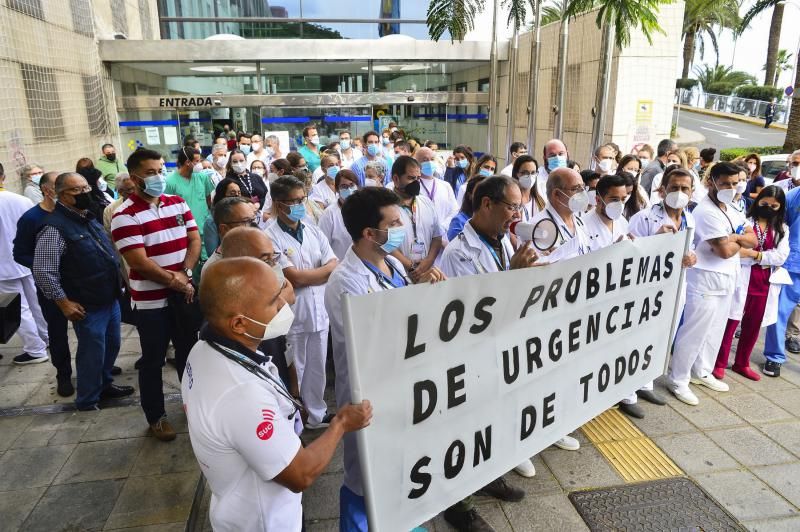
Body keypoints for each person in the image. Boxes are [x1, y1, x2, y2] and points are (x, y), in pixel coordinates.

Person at [182, 257, 371, 532]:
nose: (286, 303)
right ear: (238, 323)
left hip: (238, 508)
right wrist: (341, 423)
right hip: (265, 522)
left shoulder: (205, 348)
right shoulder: (242, 394)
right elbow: (300, 473)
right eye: (273, 302)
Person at [324, 187, 451, 530]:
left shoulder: (392, 262)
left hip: (402, 386)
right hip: (371, 394)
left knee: (399, 468)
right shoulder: (346, 283)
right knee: (365, 477)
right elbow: (376, 342)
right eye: (394, 223)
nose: (403, 228)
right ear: (369, 233)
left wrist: (422, 291)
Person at [111, 148, 201, 441]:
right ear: (135, 178)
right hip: (151, 302)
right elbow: (138, 262)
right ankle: (156, 416)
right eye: (151, 172)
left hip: (184, 293)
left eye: (161, 170)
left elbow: (194, 238)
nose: (159, 177)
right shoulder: (124, 215)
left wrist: (185, 273)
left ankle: (194, 405)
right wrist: (173, 280)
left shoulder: (177, 202)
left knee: (190, 354)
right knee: (153, 360)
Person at [32, 172, 133, 411]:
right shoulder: (54, 227)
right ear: (61, 195)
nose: (85, 193)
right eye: (76, 190)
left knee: (112, 345)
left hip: (108, 297)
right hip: (87, 303)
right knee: (92, 353)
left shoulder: (87, 217)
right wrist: (63, 302)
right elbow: (44, 271)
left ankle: (105, 384)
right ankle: (88, 399)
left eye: (86, 187)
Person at [669, 162, 757, 405]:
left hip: (727, 279)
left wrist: (736, 237)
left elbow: (753, 240)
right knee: (694, 333)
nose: (731, 187)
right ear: (711, 183)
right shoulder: (706, 212)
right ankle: (679, 380)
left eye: (734, 183)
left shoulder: (732, 208)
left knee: (714, 331)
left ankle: (702, 371)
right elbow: (724, 252)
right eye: (725, 183)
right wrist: (741, 242)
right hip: (704, 280)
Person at [267, 176, 338, 429]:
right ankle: (294, 419)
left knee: (317, 368)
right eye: (293, 201)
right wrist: (319, 275)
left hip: (319, 311)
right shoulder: (270, 237)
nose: (299, 205)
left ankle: (316, 415)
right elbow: (291, 278)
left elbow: (334, 264)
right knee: (294, 368)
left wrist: (311, 277)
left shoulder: (311, 229)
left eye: (302, 199)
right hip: (293, 315)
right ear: (278, 204)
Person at [627, 167, 698, 413]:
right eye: (674, 187)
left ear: (692, 191)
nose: (679, 193)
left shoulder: (690, 217)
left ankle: (645, 382)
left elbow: (692, 247)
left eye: (684, 189)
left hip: (676, 286)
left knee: (660, 338)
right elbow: (628, 253)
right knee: (638, 338)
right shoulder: (645, 218)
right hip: (646, 290)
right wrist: (656, 240)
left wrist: (692, 258)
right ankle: (627, 393)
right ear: (662, 189)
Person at [714, 185, 789, 381]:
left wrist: (754, 254)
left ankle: (742, 363)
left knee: (753, 325)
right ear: (757, 202)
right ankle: (719, 363)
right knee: (731, 322)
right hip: (741, 278)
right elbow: (735, 251)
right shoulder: (744, 223)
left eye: (774, 206)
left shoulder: (782, 229)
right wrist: (760, 257)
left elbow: (780, 256)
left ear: (780, 208)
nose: (768, 208)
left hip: (764, 284)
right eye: (764, 203)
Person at [1, 167, 49, 366]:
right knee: (35, 303)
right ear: (3, 176)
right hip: (25, 260)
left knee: (18, 309)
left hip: (3, 266)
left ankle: (35, 349)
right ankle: (46, 339)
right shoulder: (21, 200)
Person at [389, 156, 444, 280]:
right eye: (411, 178)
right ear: (396, 179)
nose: (416, 182)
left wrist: (428, 261)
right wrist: (410, 265)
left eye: (418, 178)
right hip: (400, 274)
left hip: (428, 272)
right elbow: (385, 243)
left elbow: (437, 237)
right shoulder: (386, 207)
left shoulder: (427, 203)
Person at [530, 167, 590, 261]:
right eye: (576, 188)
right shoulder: (537, 227)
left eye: (583, 187)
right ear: (556, 194)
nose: (582, 193)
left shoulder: (580, 222)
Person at [415, 147, 459, 234]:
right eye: (425, 160)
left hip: (444, 233)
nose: (429, 162)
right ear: (417, 163)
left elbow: (454, 210)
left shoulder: (445, 186)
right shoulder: (413, 186)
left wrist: (443, 226)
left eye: (432, 159)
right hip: (422, 234)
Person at [318, 169, 359, 260]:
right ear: (337, 189)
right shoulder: (329, 214)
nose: (349, 189)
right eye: (344, 186)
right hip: (340, 266)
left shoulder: (366, 208)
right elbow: (323, 246)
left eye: (352, 185)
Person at [584, 174, 630, 252]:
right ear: (598, 200)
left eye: (623, 199)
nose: (620, 204)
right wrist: (611, 252)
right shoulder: (583, 226)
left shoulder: (622, 221)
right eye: (615, 200)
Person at [203, 179, 245, 258]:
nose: (237, 196)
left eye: (239, 193)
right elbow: (212, 253)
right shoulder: (211, 222)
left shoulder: (243, 217)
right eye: (232, 193)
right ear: (222, 196)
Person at [226, 148, 269, 214]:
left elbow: (267, 196)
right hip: (241, 214)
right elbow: (230, 201)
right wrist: (248, 206)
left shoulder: (256, 177)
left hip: (262, 214)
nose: (239, 163)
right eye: (235, 161)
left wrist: (259, 204)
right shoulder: (229, 180)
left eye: (241, 160)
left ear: (246, 161)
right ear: (230, 163)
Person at [446, 174, 487, 241]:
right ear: (470, 195)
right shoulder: (459, 221)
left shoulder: (492, 221)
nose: (485, 196)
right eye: (480, 192)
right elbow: (457, 243)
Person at [511, 155, 545, 222]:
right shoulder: (510, 200)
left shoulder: (540, 201)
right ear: (516, 173)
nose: (530, 176)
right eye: (525, 173)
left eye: (533, 173)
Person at [617, 155, 649, 220]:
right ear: (622, 168)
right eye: (630, 169)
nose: (633, 172)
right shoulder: (614, 185)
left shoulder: (640, 190)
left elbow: (647, 210)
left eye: (635, 170)